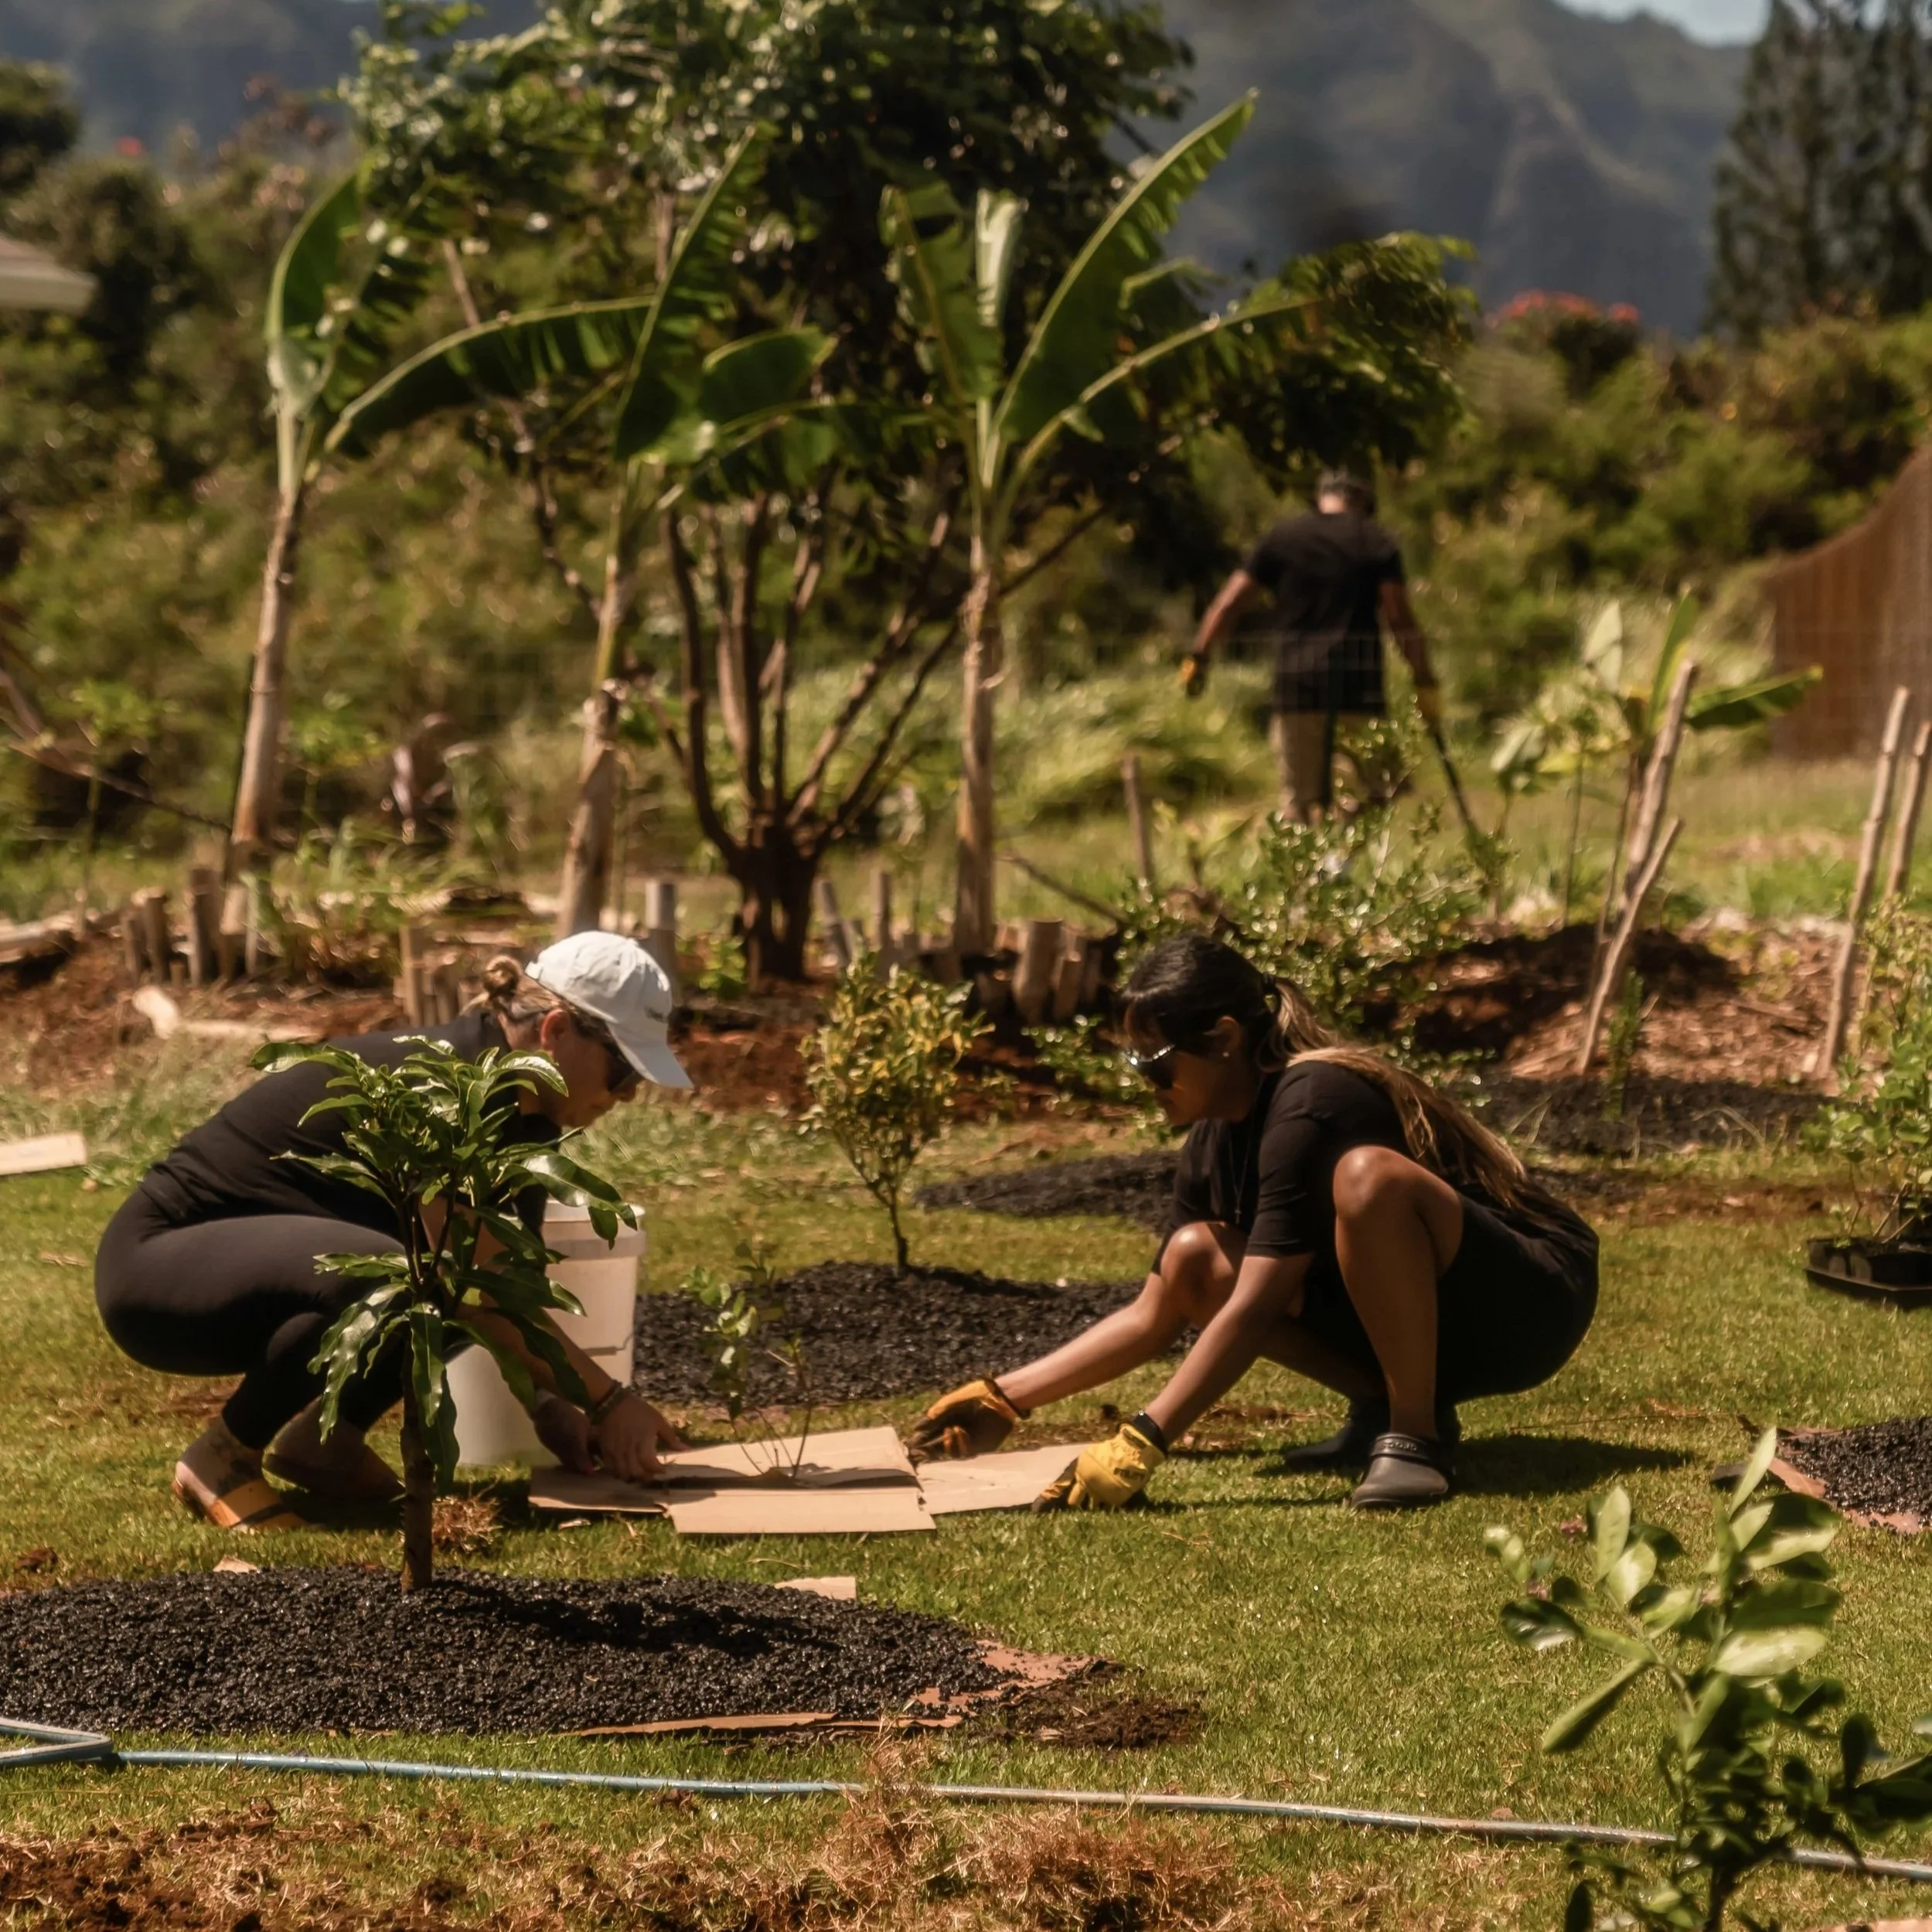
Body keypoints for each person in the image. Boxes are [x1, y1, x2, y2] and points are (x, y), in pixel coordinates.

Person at [907, 935, 1598, 1511]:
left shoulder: (1311, 1097)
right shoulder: (1214, 1139)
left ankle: (1413, 1438)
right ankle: (1386, 1408)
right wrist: (1004, 1398)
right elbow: (1157, 1312)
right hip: (1450, 1321)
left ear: (1226, 1039)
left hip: (1527, 1306)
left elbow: (1260, 1300)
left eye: (1152, 1062)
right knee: (1195, 1258)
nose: (1142, 1082)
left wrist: (1143, 1439)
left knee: (1368, 1179)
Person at [94, 932, 692, 1532]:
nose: (628, 1092)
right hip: (158, 1271)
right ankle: (222, 1456)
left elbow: (513, 1282)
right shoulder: (441, 1088)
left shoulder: (525, 1113)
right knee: (424, 1275)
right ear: (555, 1029)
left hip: (255, 1270)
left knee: (444, 1283)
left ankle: (327, 1445)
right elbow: (477, 1282)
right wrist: (608, 1401)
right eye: (621, 1066)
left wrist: (557, 1404)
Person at [1180, 470, 1442, 823]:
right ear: (1365, 501)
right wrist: (1423, 678)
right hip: (1358, 686)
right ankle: (1343, 868)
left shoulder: (1282, 537)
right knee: (1369, 796)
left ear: (1320, 496)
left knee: (1299, 804)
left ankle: (1309, 873)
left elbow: (1229, 603)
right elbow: (1399, 617)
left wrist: (1200, 656)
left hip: (1296, 686)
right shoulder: (1375, 540)